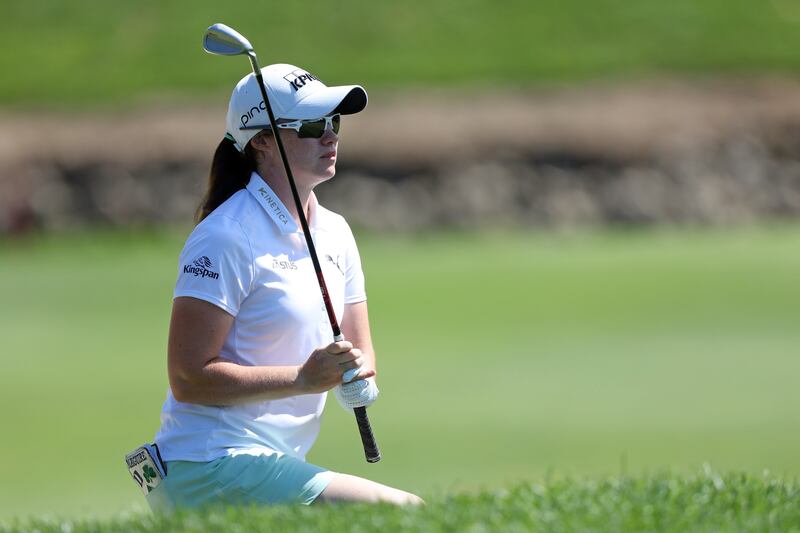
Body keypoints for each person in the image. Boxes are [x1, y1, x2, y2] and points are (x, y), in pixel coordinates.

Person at [146, 63, 422, 510]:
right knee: (406, 513)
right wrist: (303, 378)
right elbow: (188, 378)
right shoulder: (226, 234)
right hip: (208, 461)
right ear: (260, 140)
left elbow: (360, 350)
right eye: (312, 125)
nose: (329, 135)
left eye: (333, 123)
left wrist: (356, 375)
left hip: (273, 461)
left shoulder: (336, 232)